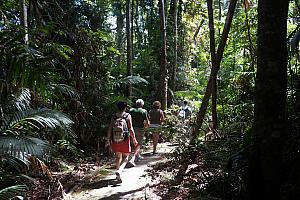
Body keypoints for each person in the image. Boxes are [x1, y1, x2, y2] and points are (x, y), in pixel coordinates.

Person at [106, 101, 138, 182]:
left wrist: (108, 139)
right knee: (125, 157)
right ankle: (119, 171)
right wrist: (134, 138)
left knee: (118, 156)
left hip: (115, 139)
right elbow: (130, 128)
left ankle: (117, 175)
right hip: (125, 139)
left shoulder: (114, 116)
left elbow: (110, 128)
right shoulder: (127, 116)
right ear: (125, 107)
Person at [128, 99, 150, 166]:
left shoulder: (131, 110)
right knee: (139, 144)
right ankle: (132, 158)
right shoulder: (144, 111)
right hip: (140, 129)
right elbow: (146, 121)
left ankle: (137, 156)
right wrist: (147, 128)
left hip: (132, 129)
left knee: (133, 143)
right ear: (142, 104)